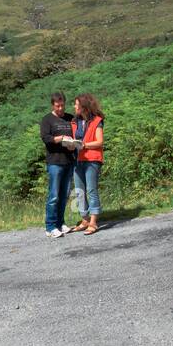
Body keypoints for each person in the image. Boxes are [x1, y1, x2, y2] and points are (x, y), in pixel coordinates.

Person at [67, 93, 105, 235]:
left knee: (91, 190)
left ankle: (94, 222)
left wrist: (84, 145)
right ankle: (85, 220)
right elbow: (74, 140)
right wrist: (70, 145)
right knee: (79, 191)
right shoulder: (74, 122)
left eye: (76, 104)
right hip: (77, 160)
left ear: (84, 106)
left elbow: (100, 142)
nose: (74, 106)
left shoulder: (97, 121)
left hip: (92, 160)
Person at [39, 92, 75, 238]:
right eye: (57, 106)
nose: (60, 108)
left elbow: (76, 135)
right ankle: (50, 226)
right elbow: (45, 138)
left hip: (69, 160)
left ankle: (61, 223)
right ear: (53, 105)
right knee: (54, 195)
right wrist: (59, 138)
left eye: (62, 105)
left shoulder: (69, 118)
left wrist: (73, 144)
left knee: (64, 195)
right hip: (55, 162)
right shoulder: (47, 119)